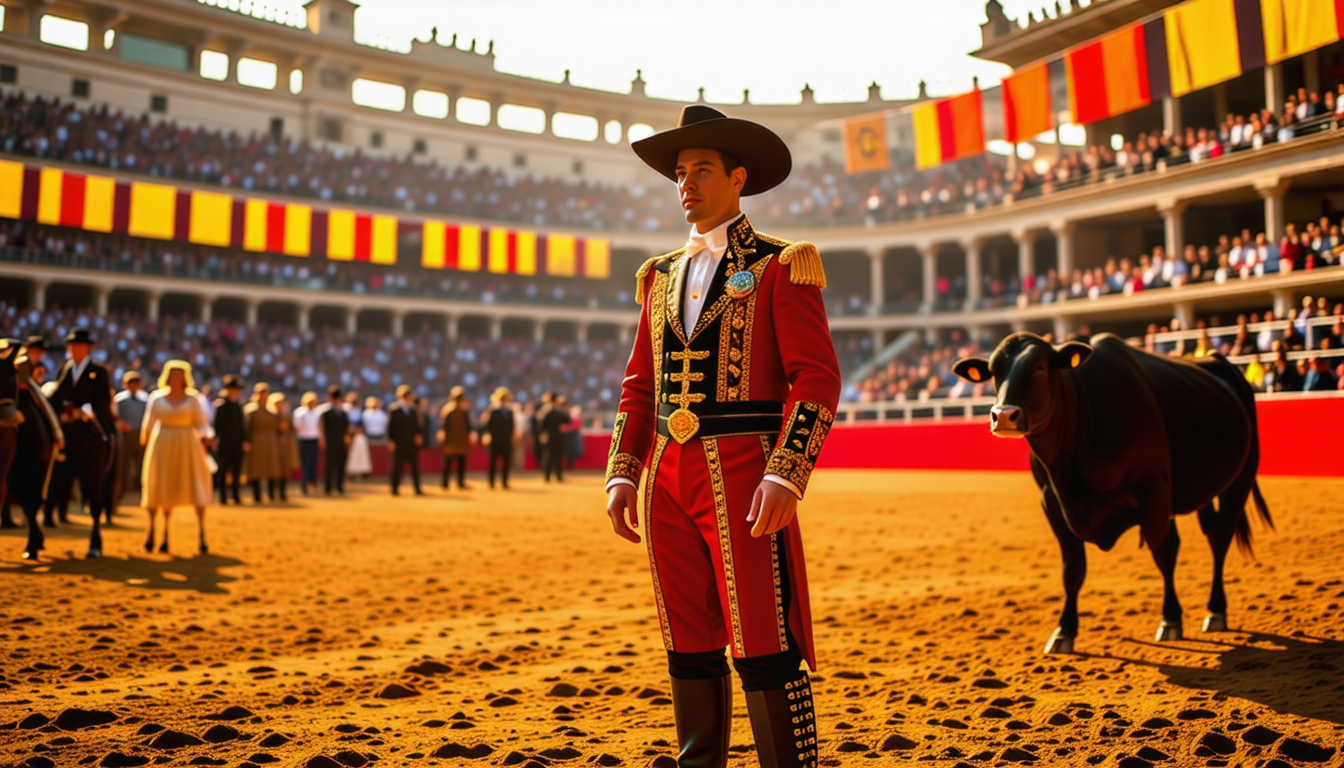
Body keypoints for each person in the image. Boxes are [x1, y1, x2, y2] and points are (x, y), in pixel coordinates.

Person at [603, 105, 841, 768]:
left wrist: (785, 471)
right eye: (680, 173)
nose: (685, 183)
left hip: (745, 470)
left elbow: (817, 379)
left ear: (738, 178)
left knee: (762, 636)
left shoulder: (779, 264)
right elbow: (638, 386)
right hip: (665, 482)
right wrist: (623, 470)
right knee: (686, 637)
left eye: (700, 170)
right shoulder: (657, 276)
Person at [48, 328, 117, 556]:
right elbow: (58, 396)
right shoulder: (65, 370)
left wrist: (82, 412)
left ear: (87, 348)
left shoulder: (99, 371)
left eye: (78, 345)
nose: (74, 349)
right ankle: (51, 512)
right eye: (72, 345)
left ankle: (96, 535)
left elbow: (103, 402)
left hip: (91, 430)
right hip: (69, 430)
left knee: (97, 477)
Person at [140, 360, 213, 555]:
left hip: (187, 445)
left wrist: (205, 438)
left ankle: (202, 535)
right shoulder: (156, 398)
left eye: (179, 375)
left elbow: (201, 424)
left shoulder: (193, 399)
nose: (176, 379)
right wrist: (145, 443)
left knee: (195, 485)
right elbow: (148, 424)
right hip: (162, 444)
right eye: (173, 375)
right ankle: (154, 532)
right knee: (159, 485)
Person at [112, 371, 149, 513]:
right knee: (122, 469)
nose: (133, 387)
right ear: (126, 385)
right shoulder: (120, 400)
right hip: (125, 437)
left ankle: (143, 496)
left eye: (136, 384)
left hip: (140, 436)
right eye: (130, 384)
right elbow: (115, 417)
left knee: (142, 467)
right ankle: (117, 498)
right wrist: (121, 425)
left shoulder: (145, 400)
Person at [243, 382, 281, 503]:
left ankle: (271, 494)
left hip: (270, 441)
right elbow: (247, 427)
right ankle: (257, 495)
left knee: (271, 468)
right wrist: (247, 441)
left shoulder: (272, 410)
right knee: (256, 469)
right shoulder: (251, 410)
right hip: (256, 441)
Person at [212, 375, 246, 505]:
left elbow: (242, 425)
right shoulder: (221, 406)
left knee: (237, 470)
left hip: (237, 442)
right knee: (223, 470)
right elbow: (216, 425)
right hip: (224, 442)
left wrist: (244, 440)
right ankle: (223, 497)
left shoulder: (238, 406)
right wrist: (215, 439)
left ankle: (236, 495)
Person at [387, 384, 423, 496]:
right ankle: (394, 489)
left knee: (415, 467)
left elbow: (416, 426)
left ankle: (417, 489)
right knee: (397, 467)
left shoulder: (413, 410)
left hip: (411, 442)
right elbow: (390, 426)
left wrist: (418, 435)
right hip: (399, 442)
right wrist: (391, 440)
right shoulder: (394, 410)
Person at [437, 385, 473, 490]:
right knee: (450, 463)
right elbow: (445, 427)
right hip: (452, 441)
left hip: (460, 441)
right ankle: (446, 483)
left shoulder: (460, 410)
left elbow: (468, 426)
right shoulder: (449, 410)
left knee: (459, 463)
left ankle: (458, 482)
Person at [482, 387, 517, 489]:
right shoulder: (492, 411)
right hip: (495, 440)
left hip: (506, 441)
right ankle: (491, 482)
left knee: (506, 463)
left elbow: (512, 427)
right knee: (493, 463)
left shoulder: (509, 412)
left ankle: (504, 482)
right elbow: (487, 426)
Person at [319, 385, 350, 495]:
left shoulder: (342, 412)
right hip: (330, 441)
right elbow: (322, 427)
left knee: (341, 464)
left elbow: (346, 427)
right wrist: (322, 439)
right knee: (330, 465)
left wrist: (346, 439)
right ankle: (328, 487)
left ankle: (339, 486)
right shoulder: (326, 412)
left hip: (340, 441)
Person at [293, 391, 322, 495]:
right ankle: (304, 485)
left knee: (313, 463)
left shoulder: (317, 413)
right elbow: (296, 428)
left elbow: (319, 428)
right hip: (303, 440)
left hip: (314, 440)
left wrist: (321, 439)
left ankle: (312, 483)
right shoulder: (300, 413)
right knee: (306, 464)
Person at [270, 391, 297, 501]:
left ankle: (282, 493)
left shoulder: (286, 416)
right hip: (272, 445)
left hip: (284, 447)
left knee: (284, 470)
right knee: (272, 469)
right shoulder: (270, 416)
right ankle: (271, 493)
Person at [540, 394, 569, 482]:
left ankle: (553, 476)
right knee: (551, 457)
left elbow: (567, 420)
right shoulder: (549, 412)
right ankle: (550, 476)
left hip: (554, 437)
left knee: (555, 457)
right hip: (553, 437)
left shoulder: (550, 411)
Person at [346, 392, 373, 479]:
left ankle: (362, 471)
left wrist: (358, 430)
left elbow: (362, 425)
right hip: (349, 436)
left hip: (358, 435)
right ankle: (351, 472)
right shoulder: (346, 411)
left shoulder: (359, 412)